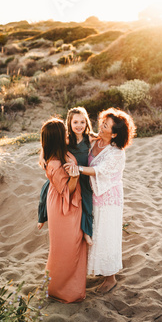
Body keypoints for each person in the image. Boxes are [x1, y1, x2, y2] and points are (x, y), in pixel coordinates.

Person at [64, 108, 136, 294]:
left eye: (106, 125)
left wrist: (76, 168)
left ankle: (110, 278)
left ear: (114, 134)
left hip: (109, 198)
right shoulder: (95, 140)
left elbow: (99, 171)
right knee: (95, 232)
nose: (101, 125)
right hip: (93, 194)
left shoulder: (117, 153)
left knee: (107, 235)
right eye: (103, 122)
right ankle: (98, 270)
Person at [37, 118, 87, 303]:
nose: (68, 133)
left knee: (73, 245)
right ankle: (58, 289)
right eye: (64, 132)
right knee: (66, 248)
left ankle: (70, 287)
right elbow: (67, 190)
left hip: (68, 203)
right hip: (63, 207)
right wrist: (74, 177)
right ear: (57, 138)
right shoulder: (55, 163)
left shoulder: (61, 152)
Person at [38, 107, 95, 246]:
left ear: (87, 123)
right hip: (68, 175)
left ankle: (87, 232)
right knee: (45, 190)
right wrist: (42, 154)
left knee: (86, 201)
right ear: (69, 123)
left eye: (82, 122)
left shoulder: (90, 138)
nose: (79, 126)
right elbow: (50, 143)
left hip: (82, 174)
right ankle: (42, 217)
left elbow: (103, 139)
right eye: (75, 122)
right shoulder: (67, 139)